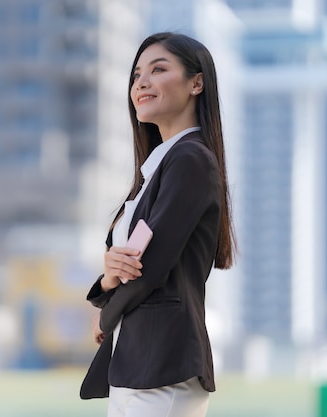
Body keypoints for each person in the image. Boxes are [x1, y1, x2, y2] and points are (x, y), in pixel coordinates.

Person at [79, 32, 236, 417]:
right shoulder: (157, 169)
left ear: (196, 83)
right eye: (136, 75)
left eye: (158, 69)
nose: (141, 83)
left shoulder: (190, 160)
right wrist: (107, 282)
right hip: (137, 364)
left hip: (163, 367)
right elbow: (128, 264)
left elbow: (150, 267)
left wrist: (108, 312)